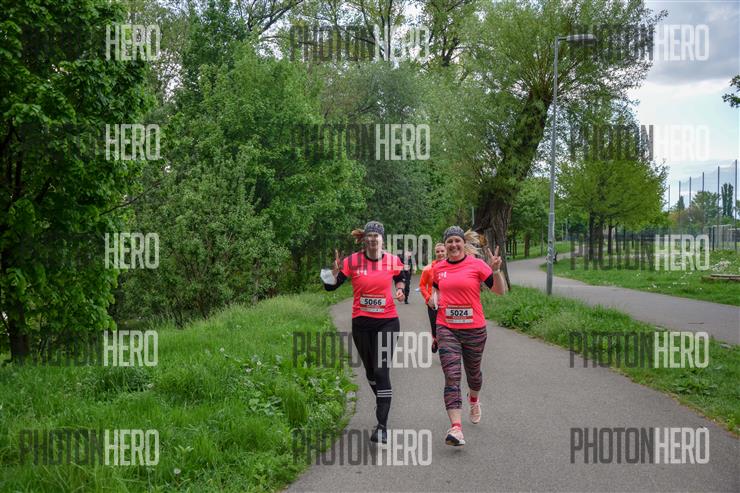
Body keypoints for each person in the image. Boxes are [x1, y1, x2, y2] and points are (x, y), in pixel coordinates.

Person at [323, 221, 406, 444]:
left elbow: (400, 277)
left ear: (382, 239)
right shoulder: (352, 261)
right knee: (370, 373)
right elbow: (330, 287)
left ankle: (382, 426)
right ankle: (382, 401)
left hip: (387, 322)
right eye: (369, 235)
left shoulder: (392, 260)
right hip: (361, 324)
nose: (372, 239)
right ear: (364, 239)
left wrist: (400, 290)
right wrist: (332, 273)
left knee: (381, 370)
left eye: (376, 236)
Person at [430, 226, 507, 446]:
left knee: (473, 374)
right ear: (445, 245)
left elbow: (500, 291)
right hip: (446, 328)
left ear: (464, 243)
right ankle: (456, 428)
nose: (453, 245)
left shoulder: (477, 265)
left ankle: (474, 399)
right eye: (449, 241)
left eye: (457, 241)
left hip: (474, 329)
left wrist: (496, 271)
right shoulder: (438, 268)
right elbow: (437, 288)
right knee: (452, 376)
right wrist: (434, 297)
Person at [419, 243, 446, 353]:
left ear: (446, 252)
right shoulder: (428, 268)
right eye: (438, 251)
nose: (440, 253)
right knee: (435, 327)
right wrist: (428, 298)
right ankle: (435, 339)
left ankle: (446, 348)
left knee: (447, 327)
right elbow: (421, 285)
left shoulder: (451, 266)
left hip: (448, 302)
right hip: (433, 303)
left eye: (442, 251)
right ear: (435, 253)